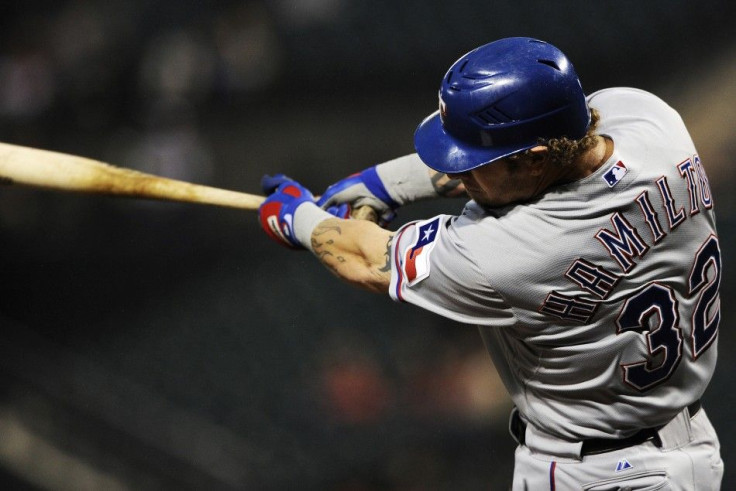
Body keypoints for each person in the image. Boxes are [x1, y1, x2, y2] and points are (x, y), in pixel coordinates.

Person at [258, 37, 724, 489]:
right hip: (681, 443)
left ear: (536, 159)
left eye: (474, 161)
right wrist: (387, 183)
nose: (460, 171)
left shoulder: (513, 254)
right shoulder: (651, 121)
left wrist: (298, 219)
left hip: (606, 475)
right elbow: (522, 158)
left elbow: (361, 259)